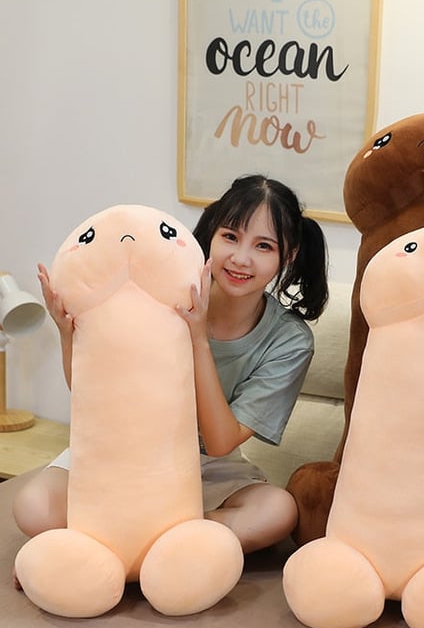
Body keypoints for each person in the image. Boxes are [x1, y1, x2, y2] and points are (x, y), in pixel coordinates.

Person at [13, 174, 329, 556]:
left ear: (289, 255)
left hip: (208, 465)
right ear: (212, 234)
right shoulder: (161, 289)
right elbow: (91, 395)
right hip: (124, 448)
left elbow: (219, 442)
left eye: (263, 246)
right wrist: (68, 334)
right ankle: (169, 542)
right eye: (230, 236)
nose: (241, 258)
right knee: (32, 509)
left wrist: (198, 338)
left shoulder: (290, 340)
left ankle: (130, 534)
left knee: (277, 511)